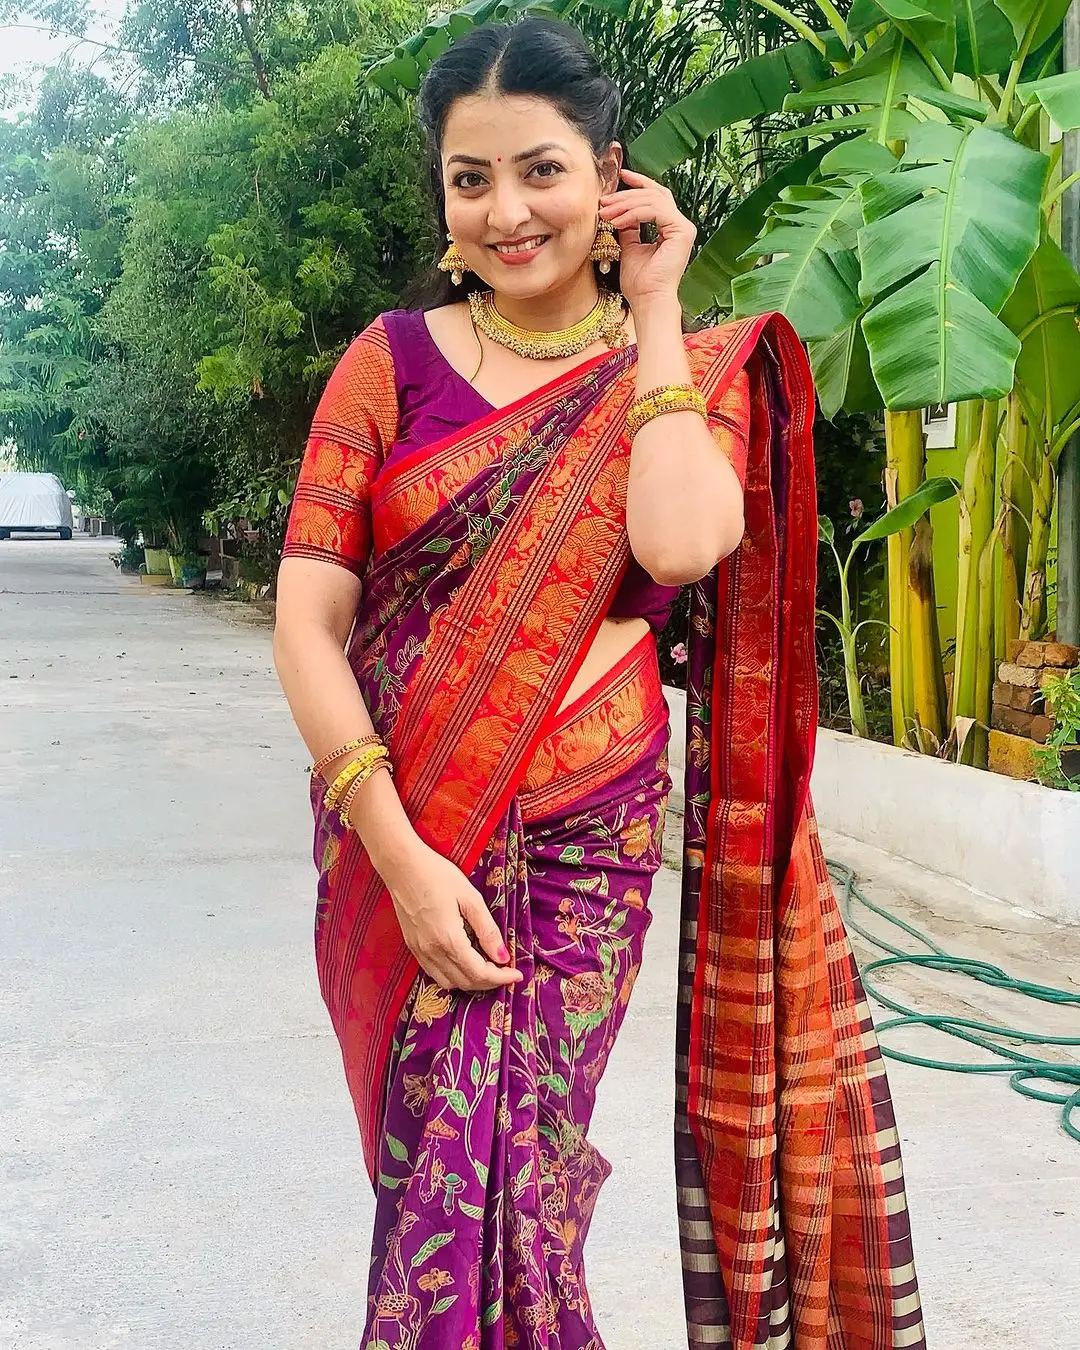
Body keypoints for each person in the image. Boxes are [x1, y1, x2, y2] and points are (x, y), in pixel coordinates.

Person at [273, 17, 924, 1350]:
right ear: (444, 201)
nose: (508, 211)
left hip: (586, 845)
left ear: (609, 175)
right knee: (437, 1188)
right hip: (411, 829)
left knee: (535, 1180)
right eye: (471, 179)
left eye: (542, 171)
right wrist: (398, 854)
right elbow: (306, 620)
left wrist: (661, 312)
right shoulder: (387, 362)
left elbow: (681, 543)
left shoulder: (677, 376)